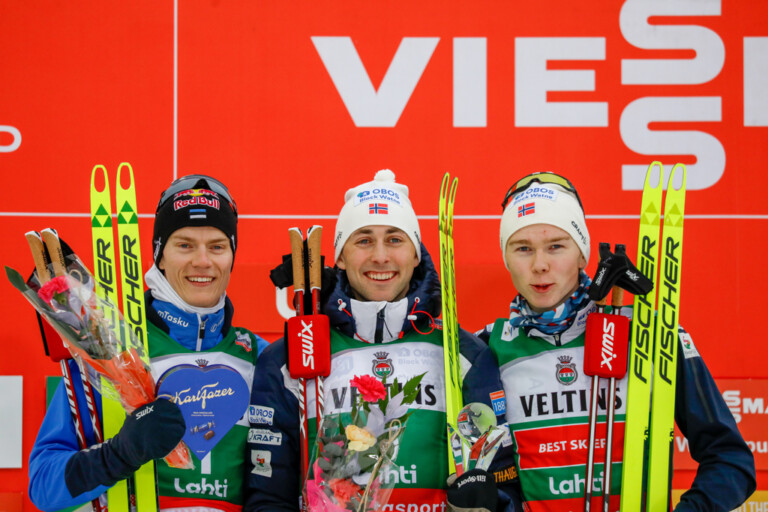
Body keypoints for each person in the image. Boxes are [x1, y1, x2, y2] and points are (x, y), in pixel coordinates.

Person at [477, 171, 756, 511]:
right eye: (523, 248)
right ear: (506, 259)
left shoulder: (652, 337)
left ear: (583, 255)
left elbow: (730, 458)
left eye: (556, 246)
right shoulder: (486, 349)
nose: (540, 265)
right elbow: (492, 477)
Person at [244, 170, 507, 511]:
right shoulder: (292, 355)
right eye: (364, 240)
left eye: (395, 240)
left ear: (416, 254)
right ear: (340, 255)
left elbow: (502, 480)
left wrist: (490, 503)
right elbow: (267, 497)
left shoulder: (464, 354)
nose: (380, 256)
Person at [28, 175, 269, 512]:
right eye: (184, 245)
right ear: (160, 255)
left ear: (231, 256)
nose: (202, 261)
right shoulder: (108, 349)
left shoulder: (263, 358)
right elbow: (42, 486)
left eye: (217, 246)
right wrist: (118, 455)